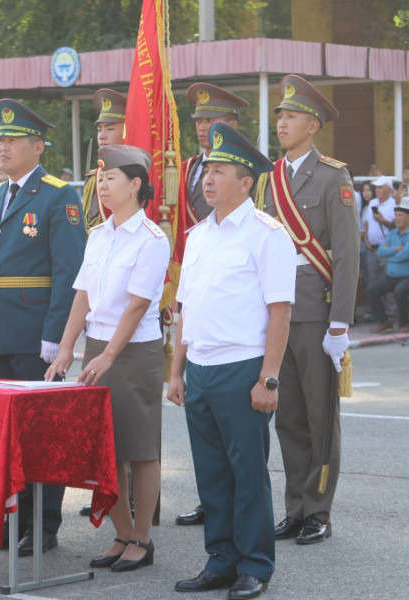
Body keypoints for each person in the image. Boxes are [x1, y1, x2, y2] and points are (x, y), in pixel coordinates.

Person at [169, 122, 295, 600]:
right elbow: (187, 309)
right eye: (207, 169)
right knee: (211, 474)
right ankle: (220, 558)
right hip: (199, 369)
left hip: (243, 368)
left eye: (220, 170)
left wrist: (270, 379)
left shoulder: (268, 234)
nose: (209, 178)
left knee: (247, 473)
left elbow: (279, 311)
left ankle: (255, 565)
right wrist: (177, 371)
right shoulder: (198, 235)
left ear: (246, 183)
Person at [0, 98, 86, 556]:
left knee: (40, 434)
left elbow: (70, 272)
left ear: (38, 147)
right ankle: (5, 521)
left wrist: (57, 336)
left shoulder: (58, 195)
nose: (2, 148)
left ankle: (42, 525)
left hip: (36, 332)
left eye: (11, 140)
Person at [45, 145, 168, 572]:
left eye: (111, 179)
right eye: (100, 180)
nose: (103, 186)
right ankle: (121, 532)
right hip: (99, 349)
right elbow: (82, 295)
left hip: (133, 353)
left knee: (140, 448)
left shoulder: (152, 239)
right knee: (105, 447)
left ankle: (143, 538)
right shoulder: (98, 235)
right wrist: (66, 348)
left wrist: (111, 355)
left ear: (135, 185)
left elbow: (137, 305)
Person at [257, 75, 359, 547]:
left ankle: (319, 509)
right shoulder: (268, 179)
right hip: (278, 311)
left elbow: (345, 253)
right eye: (279, 115)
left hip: (316, 312)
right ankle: (295, 507)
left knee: (321, 417)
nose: (282, 122)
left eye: (291, 116)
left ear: (313, 125)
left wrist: (339, 321)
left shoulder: (332, 177)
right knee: (288, 417)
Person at [175, 82, 250, 528]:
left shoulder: (248, 170)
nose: (204, 128)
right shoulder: (185, 168)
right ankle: (214, 504)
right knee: (205, 434)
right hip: (196, 285)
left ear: (233, 126)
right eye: (200, 121)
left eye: (212, 120)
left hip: (235, 312)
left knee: (242, 440)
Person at [82, 89, 127, 230]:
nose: (101, 136)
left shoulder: (140, 175)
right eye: (100, 129)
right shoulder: (93, 179)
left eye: (110, 129)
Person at [365, 200, 409, 332]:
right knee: (371, 290)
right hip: (390, 277)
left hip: (406, 277)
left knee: (399, 292)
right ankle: (384, 322)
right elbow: (380, 252)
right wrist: (396, 250)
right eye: (395, 215)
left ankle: (404, 323)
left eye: (400, 215)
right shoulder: (392, 233)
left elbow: (406, 254)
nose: (397, 218)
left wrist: (391, 253)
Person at [361, 176, 397, 297]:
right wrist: (366, 240)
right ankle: (374, 314)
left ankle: (390, 314)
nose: (376, 190)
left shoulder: (394, 205)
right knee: (372, 282)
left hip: (387, 250)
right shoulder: (372, 202)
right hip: (372, 250)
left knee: (388, 283)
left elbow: (397, 227)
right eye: (376, 187)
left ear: (389, 189)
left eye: (380, 187)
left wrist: (382, 220)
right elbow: (366, 223)